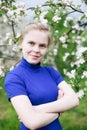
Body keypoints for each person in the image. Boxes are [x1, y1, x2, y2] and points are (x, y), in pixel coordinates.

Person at [4, 21, 79, 130]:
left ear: (47, 48)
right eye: (31, 43)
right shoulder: (14, 78)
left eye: (42, 46)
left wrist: (36, 109)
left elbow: (74, 100)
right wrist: (59, 109)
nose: (36, 50)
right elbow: (32, 123)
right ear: (21, 43)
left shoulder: (50, 72)